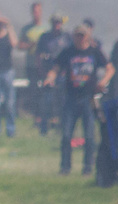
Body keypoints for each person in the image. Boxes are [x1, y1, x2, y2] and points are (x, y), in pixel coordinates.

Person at [45, 25, 111, 175]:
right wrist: (50, 78)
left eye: (82, 35)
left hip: (89, 98)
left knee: (89, 135)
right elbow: (56, 68)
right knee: (66, 134)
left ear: (87, 36)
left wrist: (103, 82)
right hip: (71, 98)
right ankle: (65, 167)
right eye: (77, 35)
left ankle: (88, 167)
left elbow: (110, 68)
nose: (79, 38)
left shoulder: (94, 52)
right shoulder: (68, 52)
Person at [32, 13, 70, 135]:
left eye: (59, 22)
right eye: (55, 22)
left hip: (63, 73)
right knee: (46, 101)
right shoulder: (45, 37)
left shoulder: (67, 37)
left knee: (64, 101)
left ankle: (63, 128)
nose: (57, 25)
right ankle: (44, 128)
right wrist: (42, 72)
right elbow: (38, 55)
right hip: (48, 73)